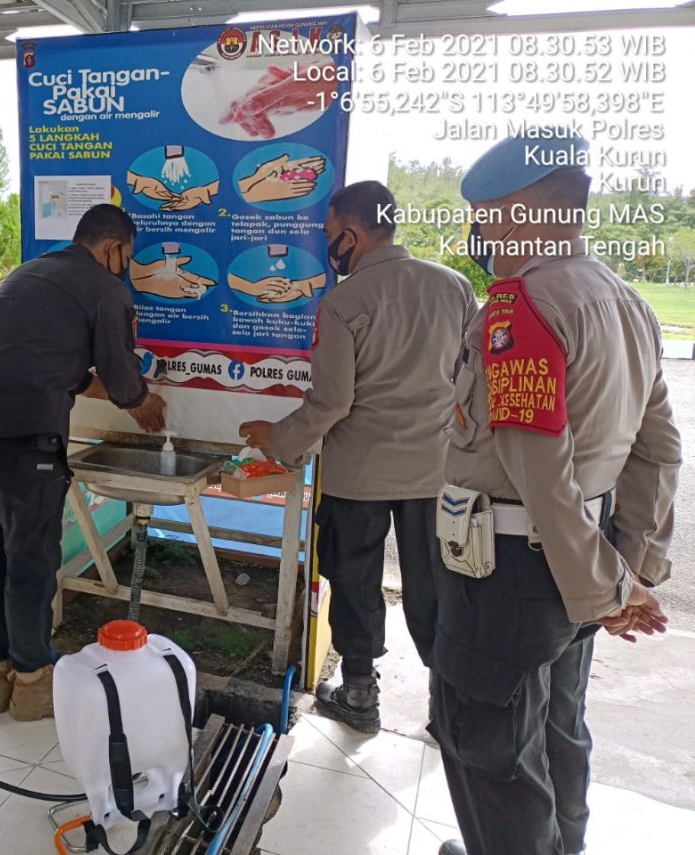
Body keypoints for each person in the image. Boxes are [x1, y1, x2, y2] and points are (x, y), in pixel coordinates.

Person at [428, 132, 679, 855]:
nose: (476, 232)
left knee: (489, 746)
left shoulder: (519, 307)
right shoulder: (625, 299)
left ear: (514, 213)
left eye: (480, 214)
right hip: (576, 566)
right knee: (557, 728)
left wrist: (609, 589)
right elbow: (658, 450)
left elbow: (539, 469)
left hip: (506, 576)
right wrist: (631, 567)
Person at [239, 181, 475, 734]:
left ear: (354, 232)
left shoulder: (344, 302)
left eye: (329, 235)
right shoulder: (456, 287)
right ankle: (451, 709)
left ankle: (361, 697)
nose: (329, 246)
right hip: (434, 473)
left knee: (355, 580)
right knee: (436, 585)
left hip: (359, 476)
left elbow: (332, 401)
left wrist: (277, 438)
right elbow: (470, 379)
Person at [0, 204, 167, 722]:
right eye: (128, 258)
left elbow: (53, 364)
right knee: (29, 559)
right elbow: (117, 374)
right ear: (112, 248)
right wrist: (141, 401)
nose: (127, 269)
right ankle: (32, 681)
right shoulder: (105, 288)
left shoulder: (32, 272)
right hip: (25, 437)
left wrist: (110, 388)